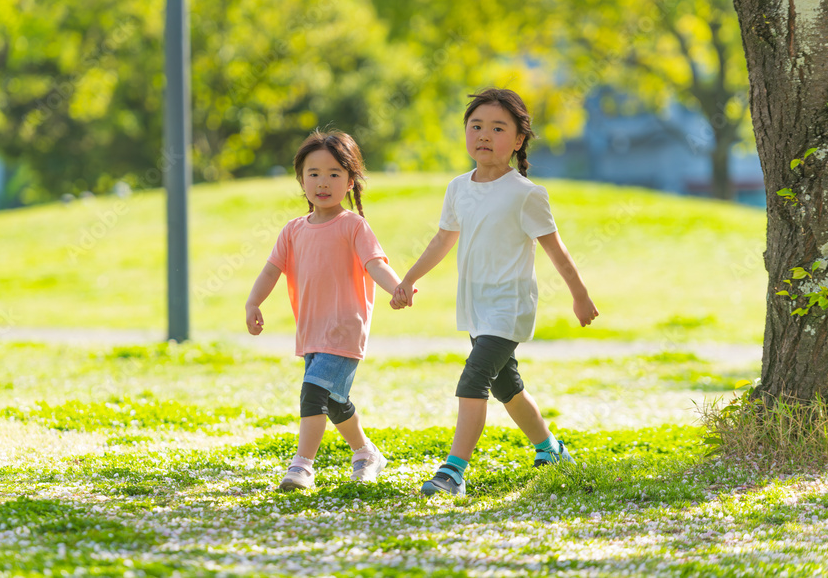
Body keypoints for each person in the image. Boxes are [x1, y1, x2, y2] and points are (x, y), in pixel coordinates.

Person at [392, 88, 599, 497]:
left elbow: (556, 250)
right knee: (508, 386)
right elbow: (442, 240)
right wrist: (409, 279)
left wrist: (580, 295)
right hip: (475, 305)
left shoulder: (526, 194)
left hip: (509, 307)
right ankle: (550, 448)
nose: (484, 135)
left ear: (518, 140)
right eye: (476, 126)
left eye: (497, 128)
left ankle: (452, 471)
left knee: (474, 378)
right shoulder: (458, 187)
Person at [245, 129, 403, 491]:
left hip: (345, 328)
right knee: (334, 401)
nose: (323, 182)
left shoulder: (353, 226)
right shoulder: (293, 230)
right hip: (311, 331)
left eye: (334, 173)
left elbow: (376, 263)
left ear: (350, 181)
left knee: (313, 392)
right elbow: (272, 269)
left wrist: (396, 287)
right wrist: (254, 302)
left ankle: (302, 467)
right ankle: (365, 453)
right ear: (301, 179)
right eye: (313, 173)